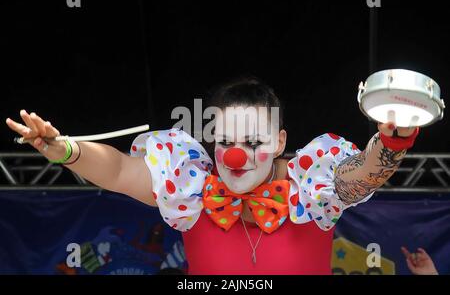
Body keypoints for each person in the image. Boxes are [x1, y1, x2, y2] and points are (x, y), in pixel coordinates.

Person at [6, 76, 420, 274]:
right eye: (226, 142)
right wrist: (64, 150)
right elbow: (116, 169)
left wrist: (392, 142)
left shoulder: (312, 188)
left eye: (254, 143)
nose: (237, 156)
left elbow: (362, 174)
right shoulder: (187, 188)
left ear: (279, 142)